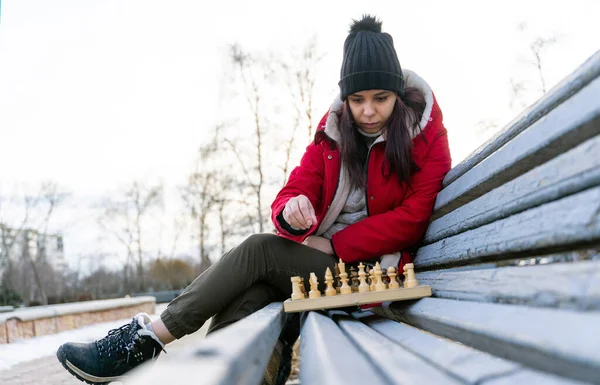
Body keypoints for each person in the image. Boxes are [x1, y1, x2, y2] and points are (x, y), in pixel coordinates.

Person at [56, 14, 452, 385]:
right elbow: (294, 190)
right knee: (251, 294)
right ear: (345, 100)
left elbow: (414, 216)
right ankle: (228, 372)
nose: (368, 111)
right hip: (326, 267)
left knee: (259, 251)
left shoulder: (426, 133)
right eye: (357, 100)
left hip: (378, 272)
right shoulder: (332, 136)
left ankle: (146, 340)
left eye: (380, 98)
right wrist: (292, 211)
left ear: (397, 94)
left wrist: (334, 243)